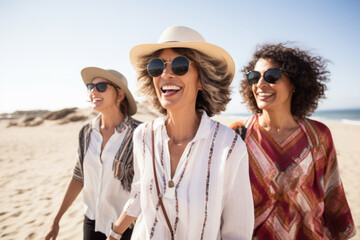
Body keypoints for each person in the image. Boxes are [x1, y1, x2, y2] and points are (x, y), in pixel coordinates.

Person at [107, 26, 254, 240]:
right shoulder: (142, 135)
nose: (166, 74)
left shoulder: (229, 147)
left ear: (202, 79)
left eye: (180, 65)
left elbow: (237, 233)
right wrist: (113, 235)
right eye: (157, 66)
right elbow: (139, 194)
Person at [230, 43, 356, 239]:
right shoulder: (238, 134)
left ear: (295, 83)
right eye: (254, 77)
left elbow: (333, 195)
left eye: (271, 76)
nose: (260, 84)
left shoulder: (318, 135)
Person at [45, 67, 140, 240]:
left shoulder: (139, 134)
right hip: (91, 221)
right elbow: (78, 177)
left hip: (127, 227)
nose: (93, 91)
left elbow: (143, 190)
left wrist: (117, 233)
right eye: (91, 87)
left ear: (120, 95)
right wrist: (57, 219)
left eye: (101, 86)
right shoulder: (86, 132)